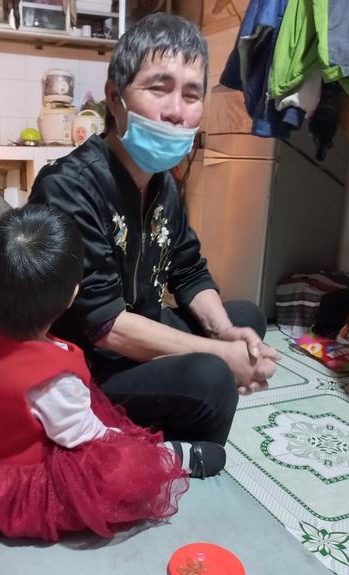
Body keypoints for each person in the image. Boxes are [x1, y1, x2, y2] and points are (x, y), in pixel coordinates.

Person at [29, 13, 279, 446]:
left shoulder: (162, 182)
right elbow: (104, 325)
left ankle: (177, 425)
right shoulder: (67, 187)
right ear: (115, 97)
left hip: (139, 332)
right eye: (158, 88)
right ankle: (177, 455)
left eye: (191, 94)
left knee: (244, 319)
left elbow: (188, 270)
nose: (177, 112)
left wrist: (224, 334)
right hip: (85, 367)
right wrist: (221, 355)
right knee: (211, 373)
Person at [0, 204, 226, 543]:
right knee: (118, 464)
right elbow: (82, 435)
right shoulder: (52, 379)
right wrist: (127, 444)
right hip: (19, 476)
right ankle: (173, 458)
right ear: (72, 295)